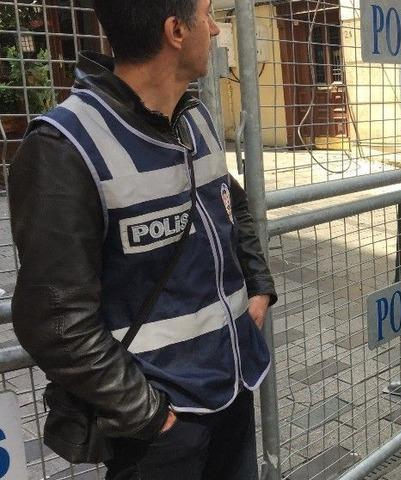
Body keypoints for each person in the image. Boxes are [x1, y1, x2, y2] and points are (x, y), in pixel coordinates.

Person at [9, 1, 277, 478]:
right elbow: (54, 320)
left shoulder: (194, 118)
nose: (216, 30)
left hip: (232, 386)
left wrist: (258, 283)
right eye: (209, 15)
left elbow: (231, 205)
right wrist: (152, 417)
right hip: (159, 427)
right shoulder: (64, 146)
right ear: (176, 30)